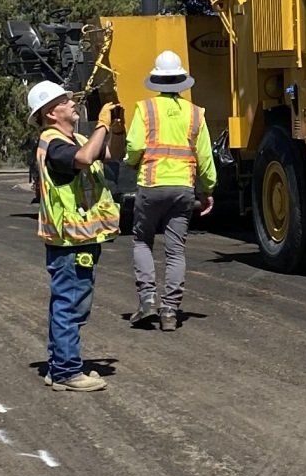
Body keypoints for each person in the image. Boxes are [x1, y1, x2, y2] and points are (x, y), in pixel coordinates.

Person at [30, 80, 118, 392]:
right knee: (68, 303)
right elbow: (83, 159)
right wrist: (103, 123)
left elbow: (104, 153)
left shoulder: (75, 137)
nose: (72, 104)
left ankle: (60, 366)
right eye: (65, 101)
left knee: (75, 303)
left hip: (80, 238)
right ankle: (67, 371)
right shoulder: (53, 144)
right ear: (51, 112)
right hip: (68, 240)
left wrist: (108, 126)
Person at [124, 50, 216, 330]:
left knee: (142, 241)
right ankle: (170, 312)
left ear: (156, 81)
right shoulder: (195, 114)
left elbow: (135, 147)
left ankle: (147, 300)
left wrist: (131, 162)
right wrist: (207, 189)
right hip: (183, 189)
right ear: (181, 82)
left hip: (151, 185)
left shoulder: (145, 109)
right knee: (176, 250)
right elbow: (205, 158)